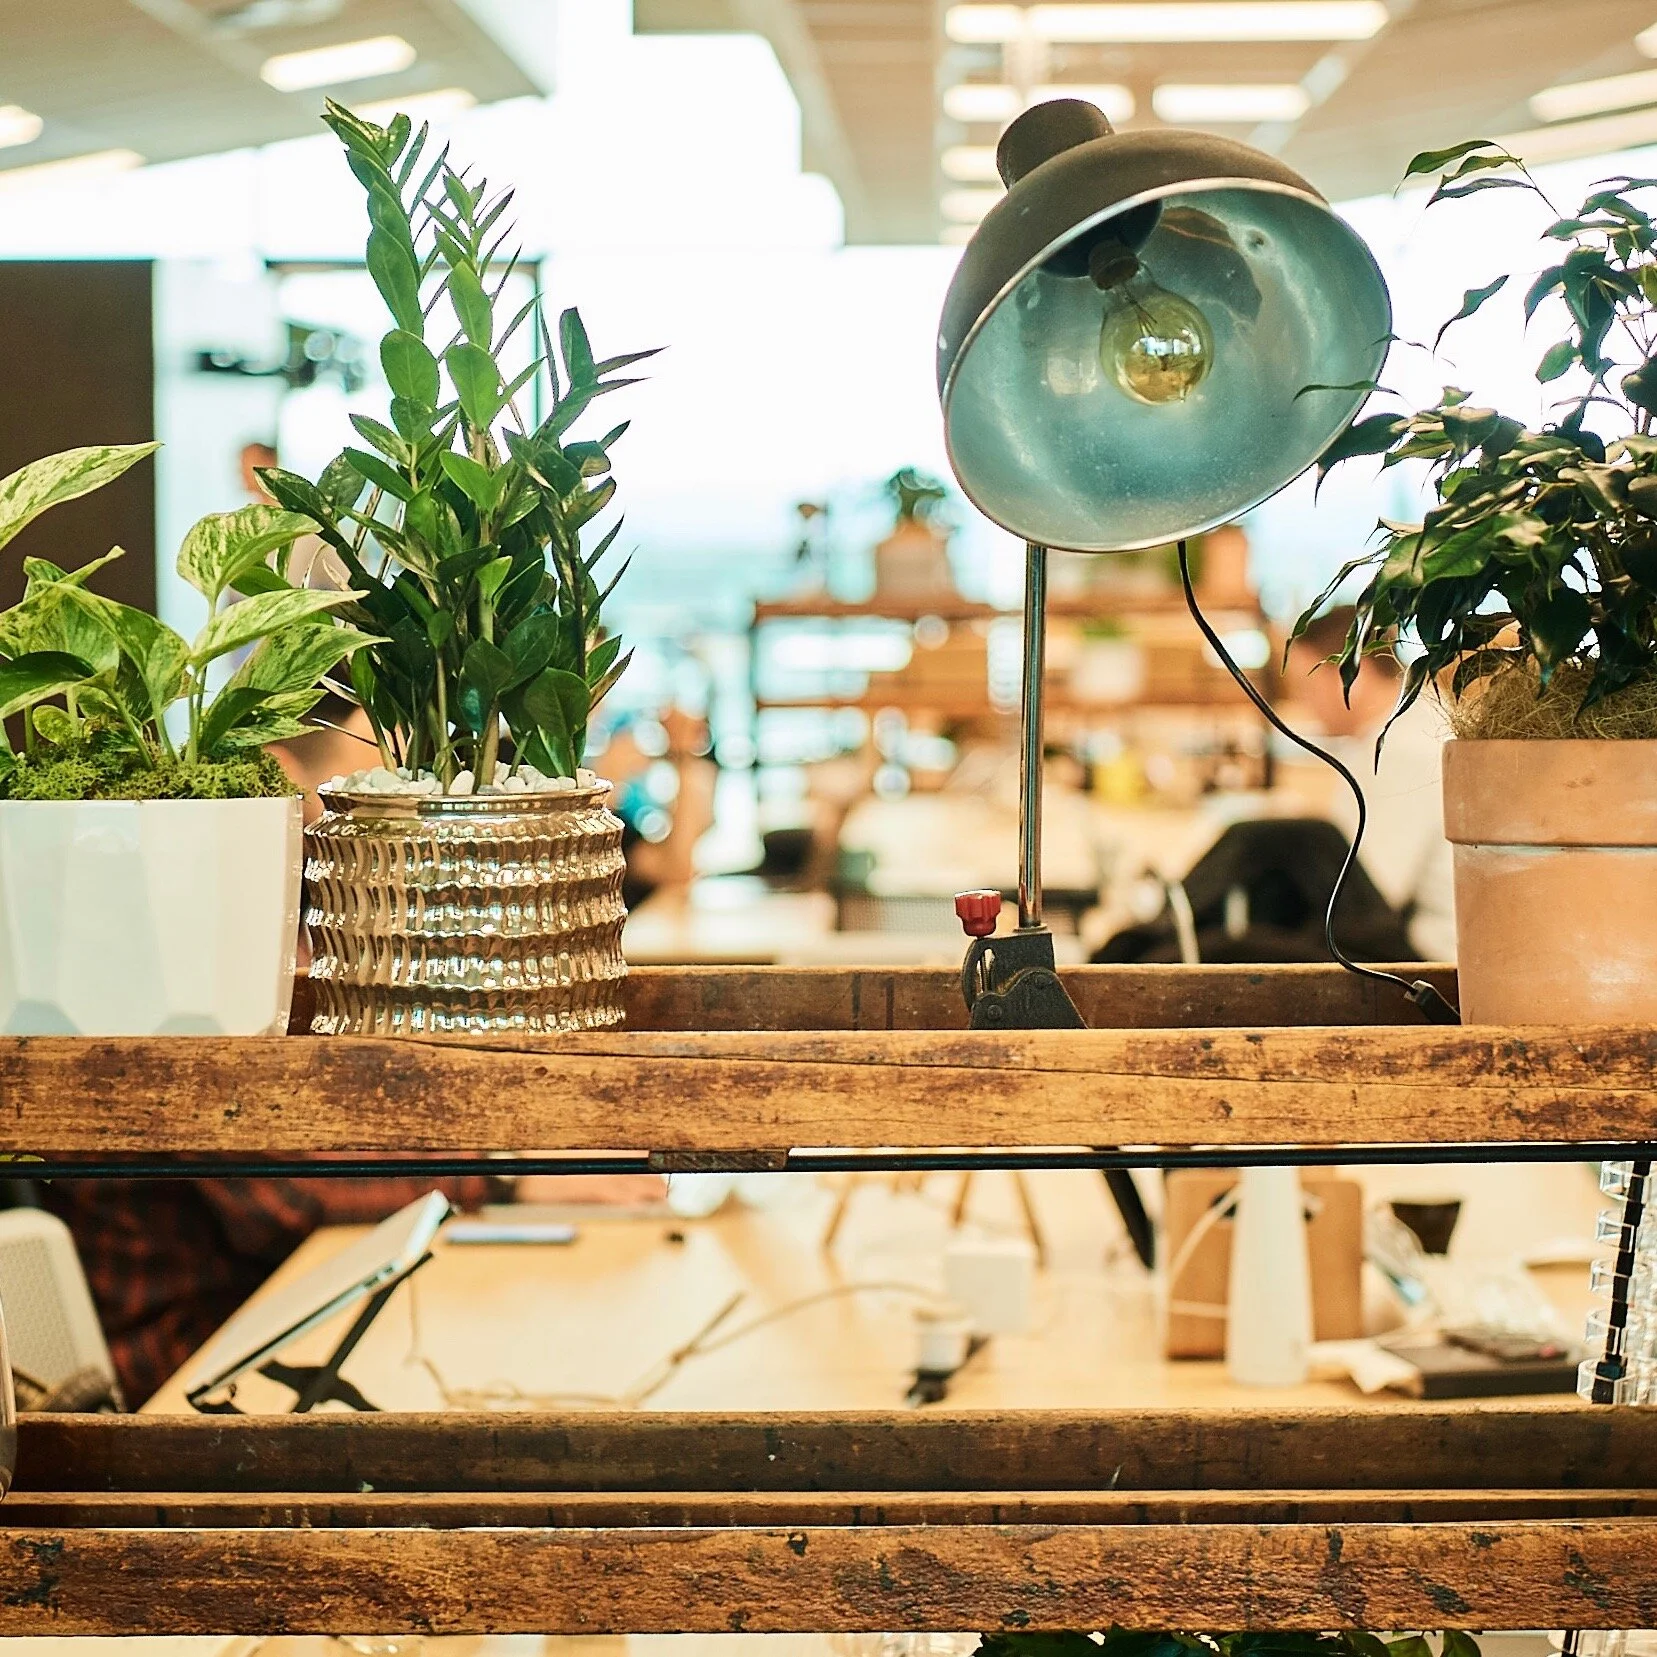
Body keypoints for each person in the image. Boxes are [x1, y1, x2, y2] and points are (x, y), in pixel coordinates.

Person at [1282, 605, 1457, 962]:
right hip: (1413, 932)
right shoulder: (1406, 727)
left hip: (1431, 956)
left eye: (1308, 688)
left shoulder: (1403, 749)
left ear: (1352, 674)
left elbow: (1372, 890)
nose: (1305, 704)